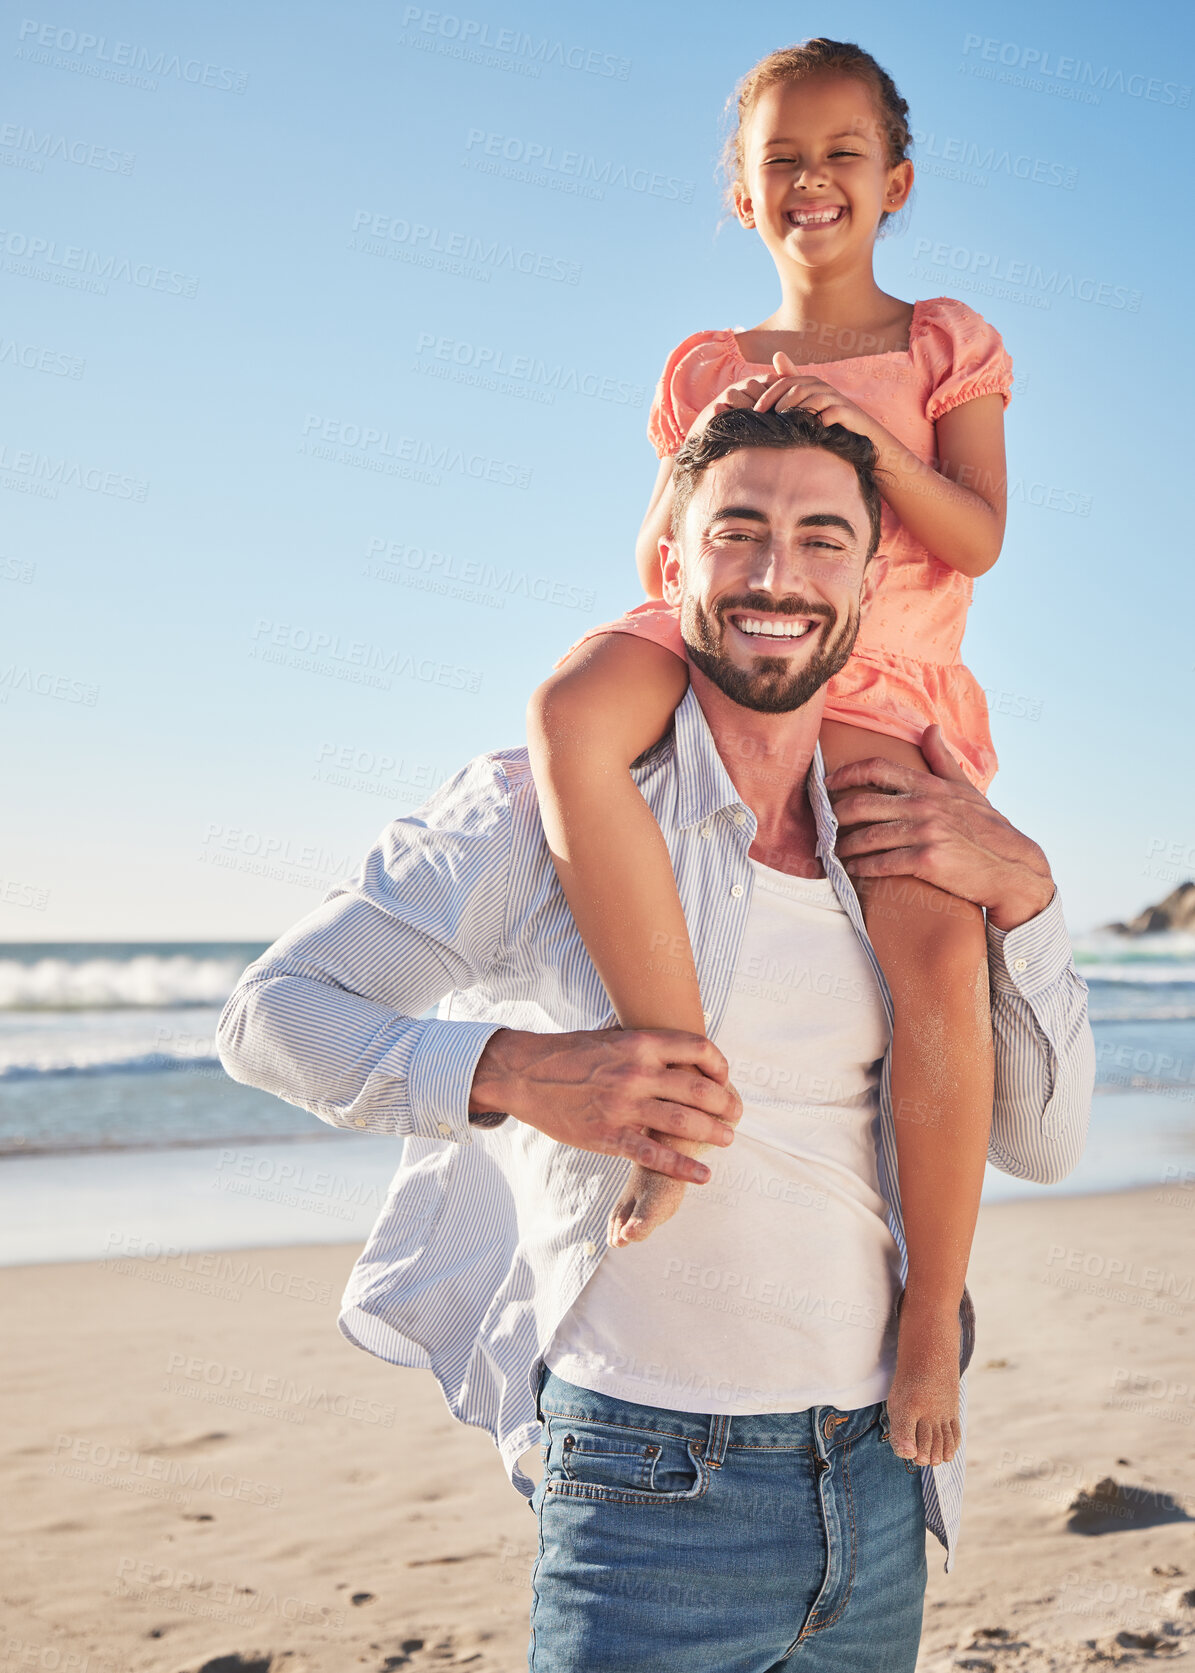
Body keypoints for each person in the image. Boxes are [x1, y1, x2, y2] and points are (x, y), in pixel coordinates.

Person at [217, 405, 1094, 1672]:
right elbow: (270, 1015)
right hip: (644, 1478)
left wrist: (1030, 894)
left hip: (882, 1465)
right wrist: (515, 1073)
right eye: (736, 533)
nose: (777, 573)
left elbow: (1046, 1137)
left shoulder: (911, 837)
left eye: (819, 539)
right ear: (671, 565)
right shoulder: (532, 809)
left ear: (866, 581)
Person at [526, 38, 1014, 1470]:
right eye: (779, 161)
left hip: (871, 674)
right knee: (568, 713)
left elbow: (974, 534)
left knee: (929, 956)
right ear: (741, 198)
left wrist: (845, 442)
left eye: (840, 155)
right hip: (711, 628)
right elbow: (656, 541)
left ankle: (929, 1309)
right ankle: (667, 1083)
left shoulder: (939, 344)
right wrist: (723, 480)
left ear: (894, 183)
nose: (811, 181)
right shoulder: (706, 363)